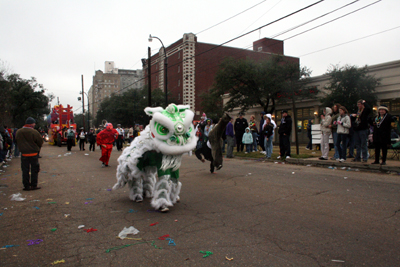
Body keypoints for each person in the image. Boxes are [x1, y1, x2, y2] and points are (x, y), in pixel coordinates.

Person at [15, 117, 44, 191]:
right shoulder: (34, 132)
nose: (34, 124)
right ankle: (34, 185)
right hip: (33, 154)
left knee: (25, 170)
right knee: (34, 170)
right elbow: (40, 142)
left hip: (24, 154)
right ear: (31, 124)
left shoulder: (19, 132)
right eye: (34, 123)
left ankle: (26, 186)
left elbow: (16, 140)